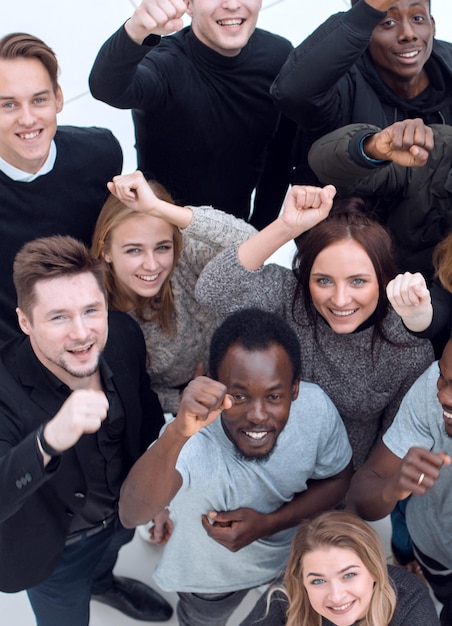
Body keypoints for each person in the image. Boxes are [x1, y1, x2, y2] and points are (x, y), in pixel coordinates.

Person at [118, 308, 353, 625]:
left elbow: (338, 479)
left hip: (292, 561)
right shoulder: (191, 439)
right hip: (210, 582)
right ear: (213, 385)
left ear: (295, 389)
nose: (257, 415)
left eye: (274, 396)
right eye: (239, 396)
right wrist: (176, 433)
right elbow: (132, 514)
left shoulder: (316, 410)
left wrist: (268, 524)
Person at [195, 184, 434, 469]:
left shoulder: (407, 346)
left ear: (383, 280)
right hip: (260, 465)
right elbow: (213, 290)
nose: (340, 299)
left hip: (337, 482)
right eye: (323, 281)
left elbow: (392, 443)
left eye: (358, 281)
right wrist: (285, 227)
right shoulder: (291, 297)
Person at [0, 235, 172, 624]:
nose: (82, 333)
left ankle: (103, 583)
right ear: (25, 321)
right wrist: (48, 440)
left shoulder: (124, 335)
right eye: (59, 316)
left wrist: (156, 496)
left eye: (91, 310)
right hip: (54, 550)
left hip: (120, 516)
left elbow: (146, 417)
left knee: (109, 556)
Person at [88, 0, 295, 229]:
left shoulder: (279, 56)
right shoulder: (165, 63)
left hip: (232, 234)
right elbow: (107, 88)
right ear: (188, 4)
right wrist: (135, 30)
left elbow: (281, 158)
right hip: (164, 235)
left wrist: (257, 232)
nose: (232, 4)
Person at [91, 169, 256, 414]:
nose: (151, 264)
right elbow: (114, 388)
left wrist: (160, 210)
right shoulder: (94, 303)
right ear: (106, 251)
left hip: (239, 374)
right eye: (134, 250)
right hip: (170, 413)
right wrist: (181, 400)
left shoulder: (184, 255)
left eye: (162, 247)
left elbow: (253, 243)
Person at [0, 32, 123, 344]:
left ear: (58, 98)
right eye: (9, 105)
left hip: (94, 335)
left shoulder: (100, 154)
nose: (27, 119)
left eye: (39, 100)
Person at [271, 0, 452, 185]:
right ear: (366, 29)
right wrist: (367, 10)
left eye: (418, 18)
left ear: (433, 25)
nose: (408, 34)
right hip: (350, 210)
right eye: (388, 22)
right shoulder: (339, 85)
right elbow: (291, 92)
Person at [346, 334, 452, 625]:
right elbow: (359, 497)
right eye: (443, 377)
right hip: (436, 554)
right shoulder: (430, 394)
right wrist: (392, 488)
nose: (443, 395)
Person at [308, 118, 452, 280]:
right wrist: (372, 148)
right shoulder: (438, 152)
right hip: (377, 282)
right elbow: (324, 164)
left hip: (426, 299)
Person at [240, 510, 439, 626]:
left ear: (374, 570)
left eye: (349, 575)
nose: (336, 596)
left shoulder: (411, 604)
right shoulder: (287, 592)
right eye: (318, 581)